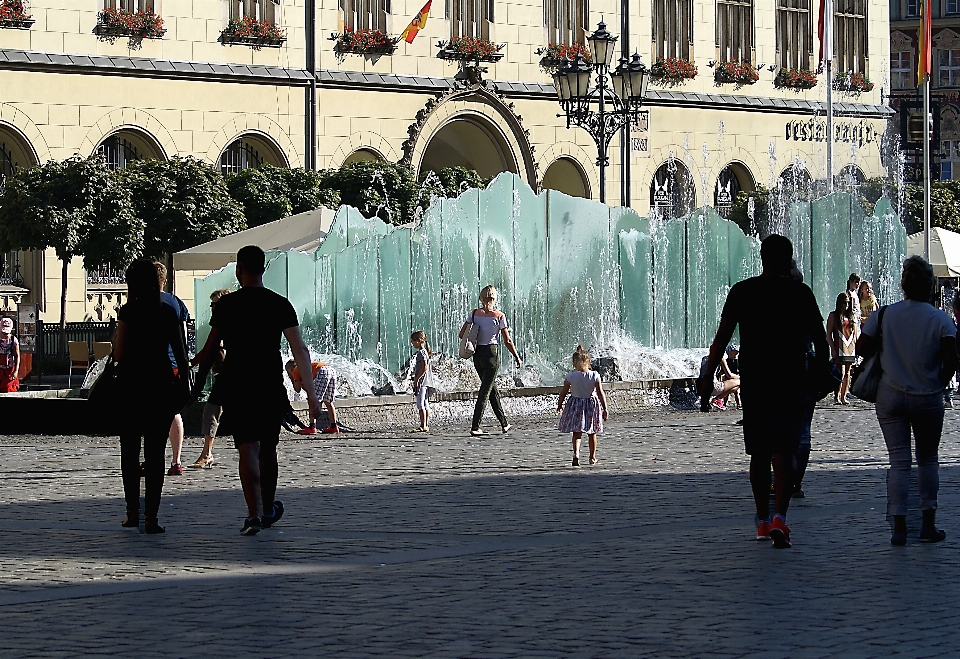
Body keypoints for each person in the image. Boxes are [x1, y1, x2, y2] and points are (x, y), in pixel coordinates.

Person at [700, 234, 828, 549]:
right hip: (790, 380)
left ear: (762, 258)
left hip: (756, 381)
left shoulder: (743, 291)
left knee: (758, 453)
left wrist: (707, 376)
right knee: (784, 452)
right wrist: (821, 376)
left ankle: (760, 519)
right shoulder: (801, 293)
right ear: (789, 260)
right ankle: (780, 518)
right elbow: (821, 342)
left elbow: (721, 338)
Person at [194, 246, 321, 536]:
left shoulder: (227, 306)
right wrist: (311, 395)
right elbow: (299, 349)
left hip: (237, 383)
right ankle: (266, 510)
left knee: (247, 449)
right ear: (263, 269)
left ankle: (252, 515)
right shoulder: (279, 303)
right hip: (268, 384)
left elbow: (211, 348)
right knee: (269, 448)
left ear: (239, 270)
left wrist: (197, 385)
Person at [856, 256, 957, 546]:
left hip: (891, 393)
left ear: (903, 285)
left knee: (899, 460)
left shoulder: (886, 314)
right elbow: (952, 361)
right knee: (928, 459)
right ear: (930, 286)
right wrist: (936, 380)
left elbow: (862, 348)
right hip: (928, 395)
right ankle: (927, 523)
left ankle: (899, 525)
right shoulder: (940, 319)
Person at [114, 260, 190, 534]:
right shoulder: (168, 311)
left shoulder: (128, 311)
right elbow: (181, 354)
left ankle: (132, 512)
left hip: (131, 387)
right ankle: (152, 517)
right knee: (156, 453)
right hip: (160, 386)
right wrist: (185, 385)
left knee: (130, 451)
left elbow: (119, 354)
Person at [459, 285, 522, 437]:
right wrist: (516, 356)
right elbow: (507, 340)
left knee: (491, 389)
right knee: (485, 392)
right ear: (494, 298)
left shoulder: (474, 314)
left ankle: (504, 423)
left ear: (481, 298)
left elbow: (462, 334)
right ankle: (475, 426)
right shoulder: (499, 316)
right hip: (491, 355)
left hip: (477, 355)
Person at [188, 288, 232, 469]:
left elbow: (208, 351)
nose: (212, 307)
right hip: (230, 377)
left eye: (215, 304)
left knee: (211, 411)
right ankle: (207, 453)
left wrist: (189, 366)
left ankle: (207, 454)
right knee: (212, 411)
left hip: (231, 377)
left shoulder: (224, 321)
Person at [154, 262, 190, 477]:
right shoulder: (176, 302)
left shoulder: (139, 303)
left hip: (147, 367)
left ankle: (152, 459)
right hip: (173, 364)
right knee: (173, 411)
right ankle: (176, 460)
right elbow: (183, 338)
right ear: (165, 281)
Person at [557, 346, 608, 466]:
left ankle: (576, 454)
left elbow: (563, 392)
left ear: (573, 363)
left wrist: (560, 405)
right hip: (591, 405)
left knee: (577, 432)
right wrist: (605, 408)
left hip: (576, 405)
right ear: (588, 362)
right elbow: (600, 393)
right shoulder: (594, 375)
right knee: (592, 433)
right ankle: (592, 457)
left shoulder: (571, 376)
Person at [285, 359, 339, 435]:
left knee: (312, 401)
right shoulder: (305, 368)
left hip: (322, 372)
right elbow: (308, 389)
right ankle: (334, 426)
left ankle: (312, 427)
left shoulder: (296, 370)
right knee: (328, 401)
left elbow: (297, 389)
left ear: (290, 369)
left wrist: (292, 379)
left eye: (288, 373)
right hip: (330, 370)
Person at [826, 292, 859, 405]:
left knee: (848, 373)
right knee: (841, 372)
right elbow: (829, 333)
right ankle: (837, 396)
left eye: (848, 303)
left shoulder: (851, 316)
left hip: (850, 347)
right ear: (839, 303)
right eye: (844, 303)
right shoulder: (833, 316)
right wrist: (832, 349)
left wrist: (857, 348)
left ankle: (844, 396)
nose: (846, 305)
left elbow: (855, 333)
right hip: (839, 347)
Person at [410, 330, 437, 432]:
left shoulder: (421, 353)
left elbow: (424, 368)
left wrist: (416, 380)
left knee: (420, 404)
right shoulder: (425, 351)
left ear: (419, 341)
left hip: (422, 382)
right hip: (427, 381)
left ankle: (423, 425)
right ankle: (426, 424)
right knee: (425, 403)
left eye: (413, 341)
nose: (412, 343)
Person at [0, 317, 20, 393]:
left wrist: (16, 370)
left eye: (6, 333)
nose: (5, 335)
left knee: (9, 390)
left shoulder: (13, 340)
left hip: (9, 370)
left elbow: (17, 355)